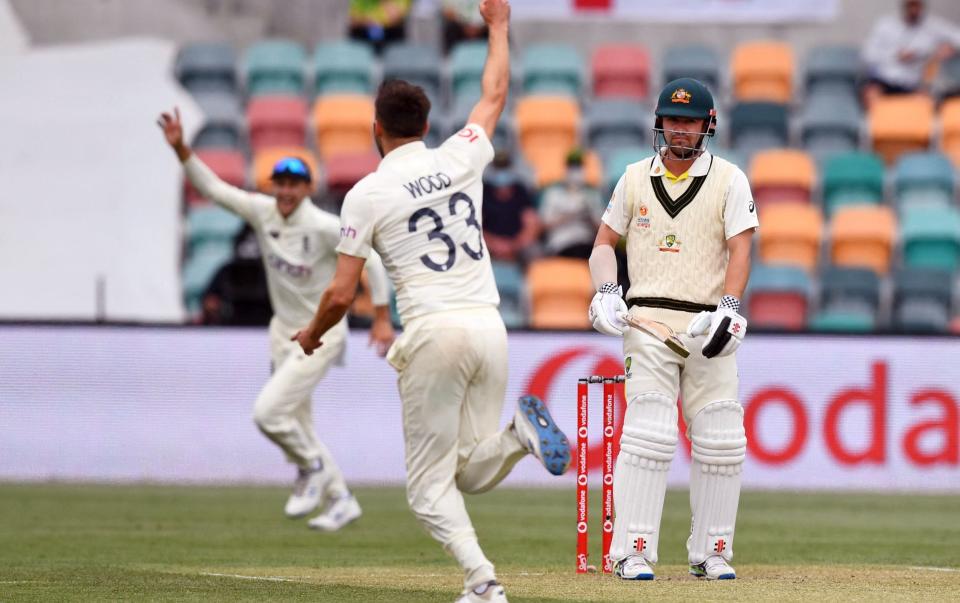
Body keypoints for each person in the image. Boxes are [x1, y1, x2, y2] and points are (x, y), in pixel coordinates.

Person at [293, 2, 570, 601]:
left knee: (427, 490)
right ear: (424, 123)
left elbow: (343, 292)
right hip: (490, 325)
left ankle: (482, 581)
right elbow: (493, 94)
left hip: (433, 333)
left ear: (377, 130)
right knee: (468, 470)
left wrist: (313, 333)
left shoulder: (366, 194)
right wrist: (498, 28)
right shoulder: (458, 155)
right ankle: (521, 434)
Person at [157, 110, 396, 531]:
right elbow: (212, 187)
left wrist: (380, 316)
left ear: (308, 188)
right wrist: (181, 149)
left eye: (294, 184)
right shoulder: (261, 211)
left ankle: (313, 470)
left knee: (268, 414)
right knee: (298, 423)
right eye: (280, 183)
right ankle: (341, 498)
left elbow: (372, 262)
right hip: (281, 333)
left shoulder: (323, 225)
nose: (286, 191)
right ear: (274, 186)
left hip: (320, 335)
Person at [588, 77, 757, 581]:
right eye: (671, 120)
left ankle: (712, 551)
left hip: (708, 324)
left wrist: (728, 307)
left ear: (708, 125)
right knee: (649, 433)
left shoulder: (730, 179)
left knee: (722, 436)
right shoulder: (634, 177)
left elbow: (741, 248)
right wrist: (605, 291)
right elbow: (603, 244)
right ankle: (632, 550)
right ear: (659, 123)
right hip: (647, 320)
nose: (678, 130)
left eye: (689, 122)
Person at [862, 0, 960, 108]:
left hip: (913, 83)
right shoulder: (886, 24)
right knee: (871, 96)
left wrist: (951, 47)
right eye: (910, 5)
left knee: (927, 104)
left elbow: (957, 36)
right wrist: (896, 56)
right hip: (884, 80)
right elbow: (867, 55)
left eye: (917, 6)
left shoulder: (933, 26)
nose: (914, 10)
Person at [539, 150, 603, 259]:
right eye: (572, 167)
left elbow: (601, 227)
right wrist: (569, 215)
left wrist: (589, 215)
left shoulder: (592, 194)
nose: (575, 171)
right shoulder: (553, 193)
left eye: (578, 167)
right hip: (561, 242)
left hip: (586, 241)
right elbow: (543, 225)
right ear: (566, 169)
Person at [482, 150, 540, 264]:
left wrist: (513, 245)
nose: (502, 173)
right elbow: (475, 227)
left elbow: (532, 224)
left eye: (504, 168)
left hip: (517, 245)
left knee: (535, 252)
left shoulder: (521, 190)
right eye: (499, 168)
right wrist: (495, 244)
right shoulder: (483, 191)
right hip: (490, 244)